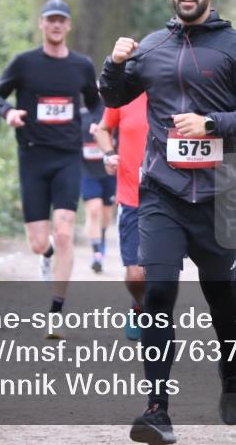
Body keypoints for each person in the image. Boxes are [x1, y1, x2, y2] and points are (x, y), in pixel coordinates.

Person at [99, 0, 236, 444]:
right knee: (157, 293)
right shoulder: (150, 47)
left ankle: (232, 374)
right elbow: (113, 98)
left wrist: (213, 123)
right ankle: (157, 408)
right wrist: (114, 64)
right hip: (162, 193)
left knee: (223, 304)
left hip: (219, 196)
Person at [0, 0, 100, 333]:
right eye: (50, 20)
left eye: (61, 20)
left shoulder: (81, 66)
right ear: (41, 24)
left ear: (68, 26)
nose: (55, 25)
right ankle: (46, 254)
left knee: (64, 231)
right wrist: (9, 113)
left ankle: (56, 311)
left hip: (67, 156)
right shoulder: (24, 64)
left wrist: (95, 123)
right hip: (33, 157)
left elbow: (95, 105)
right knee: (39, 242)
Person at [94, 92, 149, 340]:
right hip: (132, 196)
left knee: (162, 271)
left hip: (172, 198)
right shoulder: (126, 92)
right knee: (136, 273)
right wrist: (108, 154)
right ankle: (139, 306)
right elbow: (102, 129)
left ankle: (158, 319)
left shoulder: (179, 89)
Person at [80, 104, 117, 273]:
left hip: (109, 172)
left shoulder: (114, 114)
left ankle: (100, 239)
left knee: (106, 215)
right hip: (87, 171)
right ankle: (97, 254)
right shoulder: (80, 116)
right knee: (94, 210)